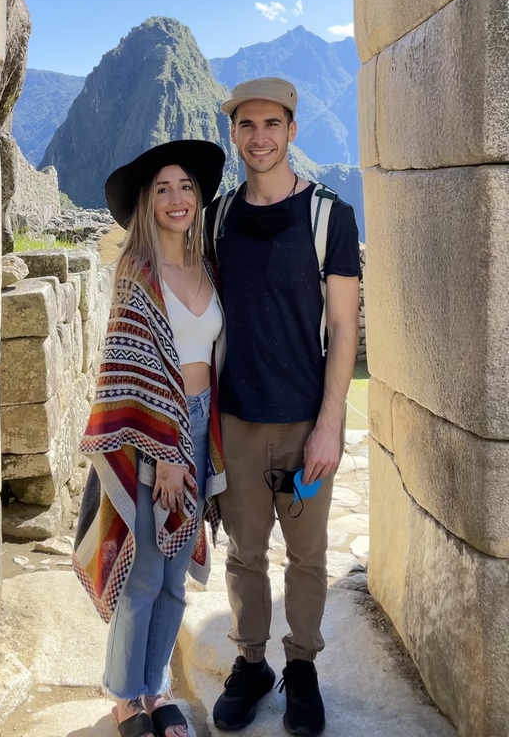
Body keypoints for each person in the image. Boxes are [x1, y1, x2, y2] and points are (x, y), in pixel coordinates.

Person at [204, 78, 361, 737]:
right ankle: (251, 663)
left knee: (305, 556)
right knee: (244, 554)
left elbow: (346, 330)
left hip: (305, 422)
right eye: (248, 125)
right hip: (237, 418)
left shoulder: (328, 215)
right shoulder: (217, 217)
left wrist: (330, 426)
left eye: (273, 124)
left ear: (292, 130)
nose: (260, 137)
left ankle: (301, 666)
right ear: (234, 133)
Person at [74, 140, 228, 737]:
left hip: (198, 423)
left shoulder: (208, 267)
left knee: (172, 577)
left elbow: (216, 359)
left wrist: (198, 444)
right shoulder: (137, 272)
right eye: (162, 189)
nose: (176, 198)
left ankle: (157, 689)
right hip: (146, 435)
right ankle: (124, 699)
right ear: (147, 201)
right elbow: (123, 365)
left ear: (198, 197)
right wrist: (163, 454)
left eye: (185, 187)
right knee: (142, 570)